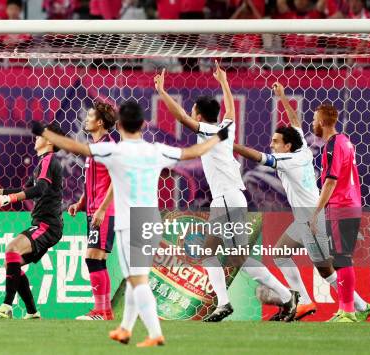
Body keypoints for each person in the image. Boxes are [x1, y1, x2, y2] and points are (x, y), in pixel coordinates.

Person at [33, 100, 230, 347]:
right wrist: (218, 138)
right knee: (136, 278)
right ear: (141, 124)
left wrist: (44, 132)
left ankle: (154, 333)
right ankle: (125, 328)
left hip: (128, 222)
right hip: (151, 219)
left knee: (137, 281)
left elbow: (75, 147)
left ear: (120, 124)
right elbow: (192, 152)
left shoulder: (116, 151)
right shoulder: (156, 149)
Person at [155, 63, 298, 322]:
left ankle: (284, 297)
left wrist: (163, 92)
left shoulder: (210, 131)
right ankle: (231, 302)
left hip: (227, 198)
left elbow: (181, 119)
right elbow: (230, 109)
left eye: (193, 111)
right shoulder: (225, 128)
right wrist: (223, 81)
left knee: (230, 257)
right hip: (229, 198)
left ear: (199, 116)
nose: (190, 113)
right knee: (219, 254)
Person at [233, 83, 370, 321]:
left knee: (332, 266)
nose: (272, 145)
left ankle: (356, 306)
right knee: (285, 254)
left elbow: (257, 156)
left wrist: (227, 145)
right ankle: (310, 302)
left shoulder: (286, 159)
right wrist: (283, 97)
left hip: (312, 218)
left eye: (276, 142)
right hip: (305, 217)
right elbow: (295, 122)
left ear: (287, 146)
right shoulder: (304, 150)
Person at [0, 123, 66, 320]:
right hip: (43, 223)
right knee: (13, 262)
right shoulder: (41, 164)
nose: (36, 138)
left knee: (12, 249)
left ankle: (7, 305)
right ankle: (32, 312)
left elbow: (40, 190)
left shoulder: (50, 161)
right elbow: (24, 190)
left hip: (48, 225)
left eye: (40, 135)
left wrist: (7, 200)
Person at [309, 103, 369, 322]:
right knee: (341, 258)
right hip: (351, 204)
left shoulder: (333, 144)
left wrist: (316, 212)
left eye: (315, 119)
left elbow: (330, 182)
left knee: (342, 259)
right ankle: (347, 310)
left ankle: (348, 311)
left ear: (323, 122)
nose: (313, 123)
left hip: (341, 206)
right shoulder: (346, 141)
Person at [68, 102, 117, 320]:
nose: (86, 119)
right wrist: (81, 202)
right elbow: (93, 181)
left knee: (93, 258)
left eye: (90, 116)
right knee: (98, 260)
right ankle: (105, 311)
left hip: (104, 212)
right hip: (93, 210)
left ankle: (99, 311)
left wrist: (102, 209)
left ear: (100, 122)